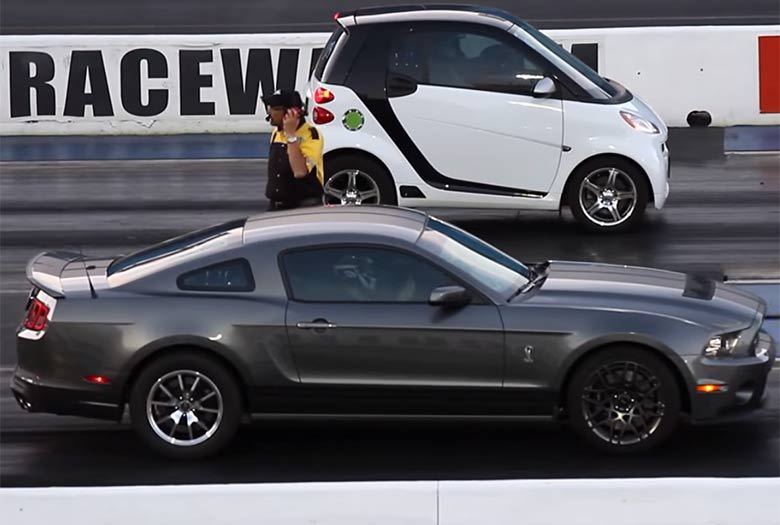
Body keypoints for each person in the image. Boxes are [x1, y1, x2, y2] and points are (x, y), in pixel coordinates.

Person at [262, 90, 324, 211]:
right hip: (276, 206)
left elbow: (300, 171)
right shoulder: (277, 132)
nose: (269, 112)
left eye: (274, 108)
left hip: (303, 207)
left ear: (290, 113)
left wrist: (291, 135)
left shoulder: (311, 135)